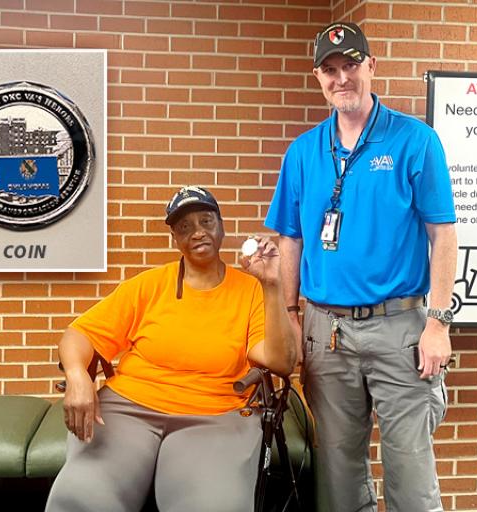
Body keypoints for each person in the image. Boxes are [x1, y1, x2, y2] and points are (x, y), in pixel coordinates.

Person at [264, 22, 458, 512]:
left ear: (372, 66)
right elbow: (290, 237)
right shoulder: (303, 152)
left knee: (411, 472)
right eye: (329, 70)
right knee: (337, 472)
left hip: (401, 329)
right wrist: (290, 314)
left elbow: (443, 234)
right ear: (317, 77)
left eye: (350, 64)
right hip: (325, 330)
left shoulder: (416, 141)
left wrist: (439, 322)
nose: (341, 78)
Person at [45, 186, 298, 512]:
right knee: (81, 500)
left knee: (212, 507)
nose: (197, 233)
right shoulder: (149, 285)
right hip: (128, 410)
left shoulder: (251, 290)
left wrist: (273, 286)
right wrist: (78, 376)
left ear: (221, 227)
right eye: (184, 228)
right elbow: (78, 334)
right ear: (175, 239)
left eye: (206, 221)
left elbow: (281, 361)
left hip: (215, 415)